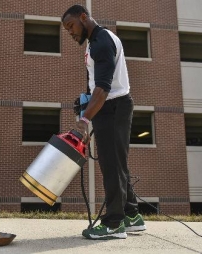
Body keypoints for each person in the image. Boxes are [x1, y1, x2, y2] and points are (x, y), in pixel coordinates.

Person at [62, 5, 146, 240]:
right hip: (108, 108)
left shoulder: (101, 42)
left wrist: (84, 120)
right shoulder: (95, 42)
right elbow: (95, 89)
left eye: (71, 26)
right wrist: (91, 115)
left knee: (111, 165)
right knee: (118, 163)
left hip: (113, 107)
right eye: (67, 30)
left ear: (83, 17)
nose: (70, 32)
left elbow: (102, 88)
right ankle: (131, 216)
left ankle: (114, 223)